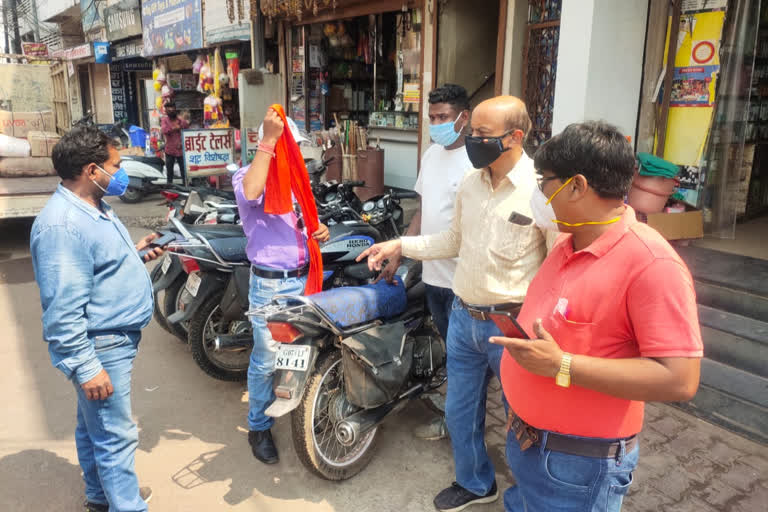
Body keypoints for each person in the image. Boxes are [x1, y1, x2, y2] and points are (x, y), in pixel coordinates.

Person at [489, 121, 703, 511]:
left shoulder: (651, 264)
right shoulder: (568, 242)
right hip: (530, 443)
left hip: (577, 468)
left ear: (577, 186)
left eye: (545, 182)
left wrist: (562, 365)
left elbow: (680, 379)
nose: (540, 193)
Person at [358, 96, 547, 511]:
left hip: (512, 327)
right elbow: (452, 241)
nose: (471, 139)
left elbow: (557, 266)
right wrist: (400, 244)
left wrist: (544, 330)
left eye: (481, 134)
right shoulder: (472, 183)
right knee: (461, 413)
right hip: (464, 316)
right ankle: (477, 483)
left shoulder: (540, 192)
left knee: (526, 424)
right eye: (472, 131)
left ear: (515, 137)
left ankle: (529, 498)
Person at [30, 126, 165, 512]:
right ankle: (127, 506)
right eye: (115, 165)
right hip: (102, 347)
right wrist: (88, 368)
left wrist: (135, 253)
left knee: (94, 429)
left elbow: (94, 270)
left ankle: (100, 498)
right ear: (92, 170)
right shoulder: (63, 226)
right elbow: (62, 312)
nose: (121, 173)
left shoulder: (94, 208)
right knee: (115, 436)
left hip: (113, 341)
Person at [233, 108, 330, 464]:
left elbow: (307, 226)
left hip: (303, 278)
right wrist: (269, 141)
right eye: (291, 146)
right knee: (265, 359)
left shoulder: (296, 182)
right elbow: (253, 189)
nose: (298, 153)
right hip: (270, 286)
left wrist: (320, 232)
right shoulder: (249, 176)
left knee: (302, 350)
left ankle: (296, 409)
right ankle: (258, 426)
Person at [378, 84, 472, 441]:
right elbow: (423, 210)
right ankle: (458, 413)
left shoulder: (476, 163)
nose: (436, 124)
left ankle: (459, 424)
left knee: (465, 363)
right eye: (432, 118)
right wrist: (401, 250)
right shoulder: (432, 155)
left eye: (443, 117)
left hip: (463, 282)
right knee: (453, 352)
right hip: (434, 276)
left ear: (464, 117)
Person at [161, 101, 189, 184]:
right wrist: (174, 128)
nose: (170, 111)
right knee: (169, 172)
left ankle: (185, 188)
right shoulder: (164, 120)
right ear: (166, 111)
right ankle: (170, 188)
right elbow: (164, 130)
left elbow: (187, 129)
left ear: (175, 109)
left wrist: (181, 126)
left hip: (181, 150)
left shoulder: (181, 120)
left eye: (172, 109)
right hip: (170, 150)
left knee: (184, 171)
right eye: (168, 110)